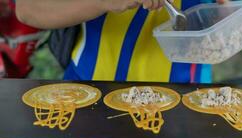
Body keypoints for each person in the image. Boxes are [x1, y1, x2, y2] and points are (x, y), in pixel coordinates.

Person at [16, 0, 227, 83]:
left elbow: (225, 15)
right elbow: (28, 9)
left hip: (186, 98)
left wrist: (224, 12)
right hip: (92, 93)